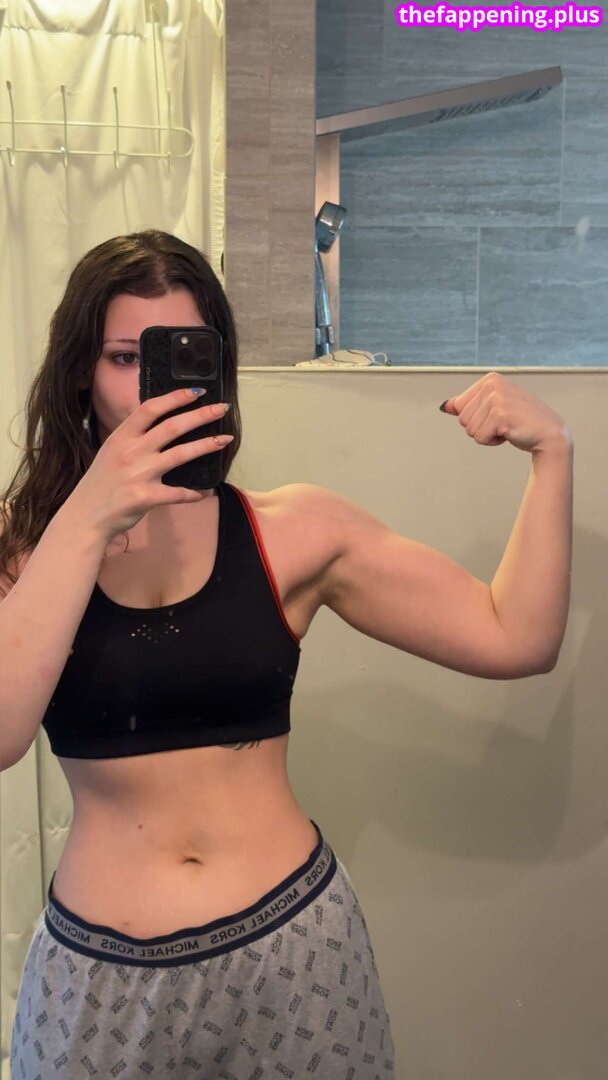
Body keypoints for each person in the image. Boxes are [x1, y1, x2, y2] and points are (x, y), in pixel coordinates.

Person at [2, 230, 573, 1079]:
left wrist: (552, 454)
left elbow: (514, 635)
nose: (156, 388)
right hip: (99, 978)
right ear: (80, 371)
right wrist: (88, 515)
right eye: (126, 358)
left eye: (181, 357)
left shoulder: (292, 531)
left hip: (294, 959)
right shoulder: (24, 553)